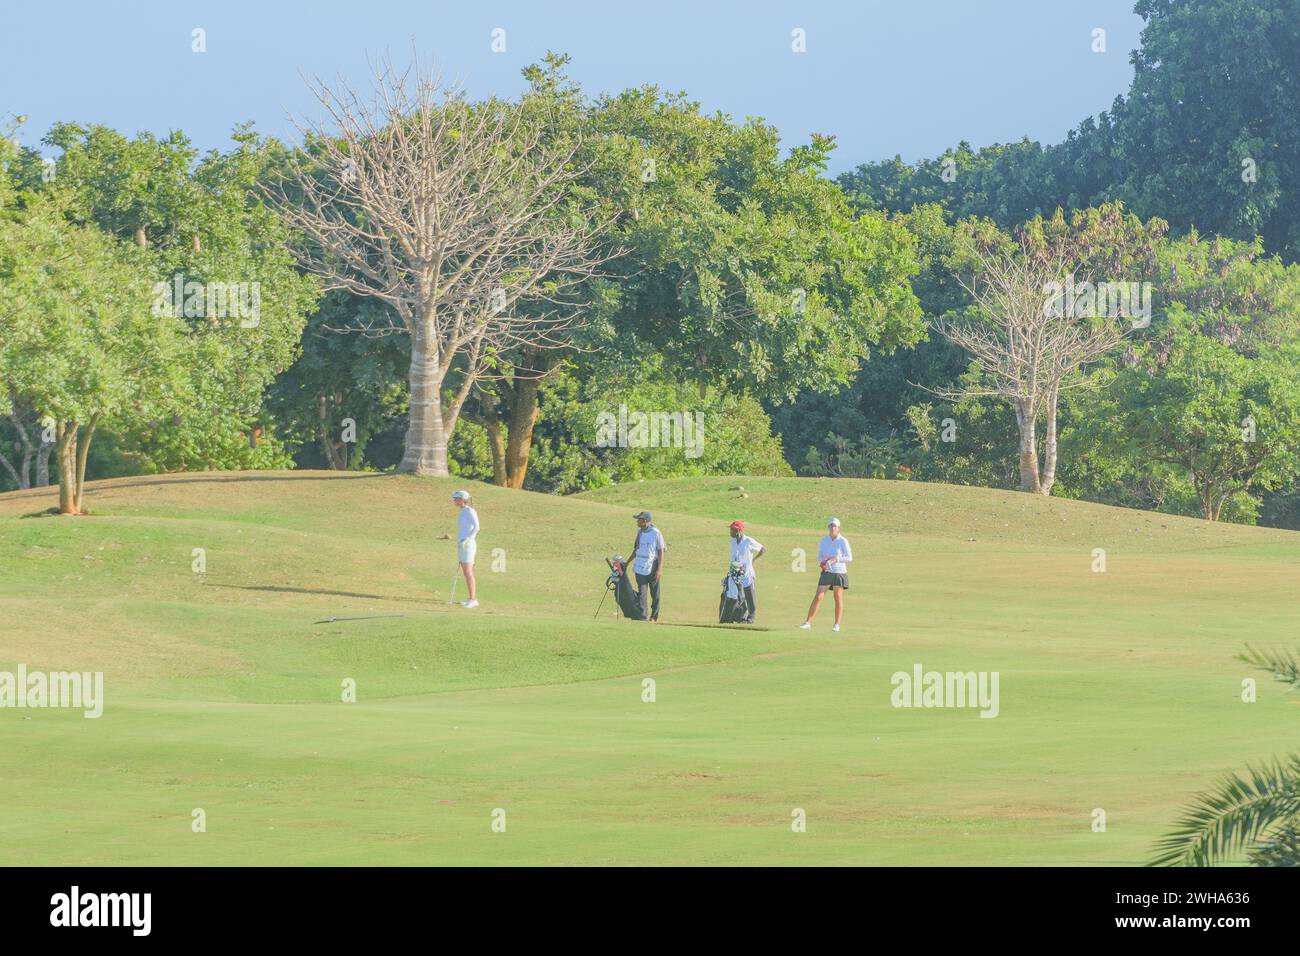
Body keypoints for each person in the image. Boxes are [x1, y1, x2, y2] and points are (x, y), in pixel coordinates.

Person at [800, 517, 851, 632]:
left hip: (839, 572)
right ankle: (808, 622)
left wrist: (836, 559)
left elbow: (849, 557)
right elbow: (820, 556)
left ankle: (836, 624)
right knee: (818, 596)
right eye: (831, 526)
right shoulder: (824, 540)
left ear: (838, 528)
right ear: (828, 527)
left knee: (838, 597)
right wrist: (823, 562)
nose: (833, 528)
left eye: (835, 526)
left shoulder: (843, 541)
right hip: (827, 572)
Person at [628, 510, 666, 622]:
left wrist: (659, 569)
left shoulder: (656, 533)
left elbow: (661, 551)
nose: (637, 522)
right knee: (642, 592)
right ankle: (643, 616)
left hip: (653, 566)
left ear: (644, 521)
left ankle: (654, 616)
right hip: (640, 565)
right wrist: (627, 562)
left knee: (655, 593)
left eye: (638, 519)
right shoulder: (639, 532)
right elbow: (636, 549)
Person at [727, 520, 765, 624]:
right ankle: (742, 617)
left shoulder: (748, 541)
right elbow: (733, 559)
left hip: (748, 573)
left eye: (731, 530)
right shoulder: (733, 542)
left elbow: (762, 549)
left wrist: (753, 561)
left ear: (738, 530)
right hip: (736, 571)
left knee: (750, 596)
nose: (730, 532)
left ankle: (751, 618)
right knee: (740, 595)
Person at [452, 490, 479, 608]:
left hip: (468, 545)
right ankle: (470, 598)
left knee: (468, 573)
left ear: (462, 499)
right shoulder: (462, 511)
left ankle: (473, 600)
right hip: (462, 544)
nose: (454, 501)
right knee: (465, 573)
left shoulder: (470, 511)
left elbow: (477, 527)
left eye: (456, 498)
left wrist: (468, 539)